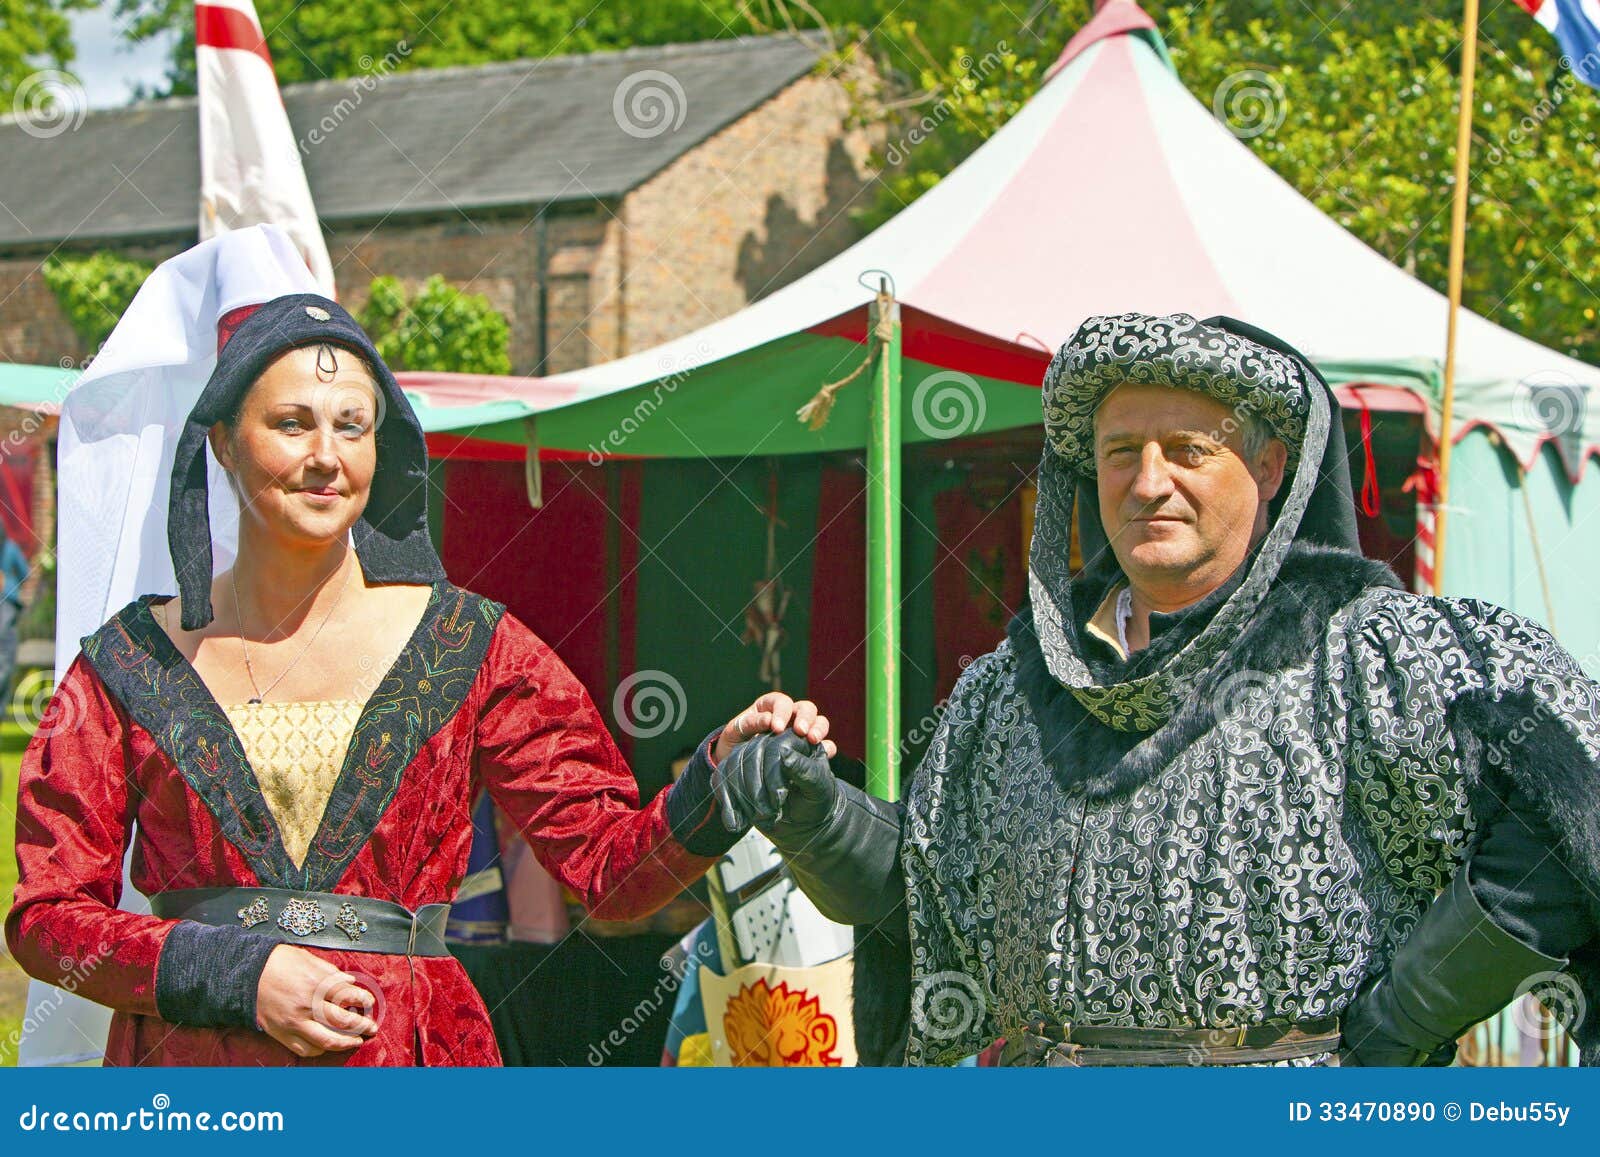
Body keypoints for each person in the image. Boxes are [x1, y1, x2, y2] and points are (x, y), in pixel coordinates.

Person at [715, 312, 1600, 1067]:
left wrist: (1404, 1018)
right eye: (1118, 453)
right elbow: (923, 900)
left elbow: (1572, 814)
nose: (1146, 483)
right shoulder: (1009, 694)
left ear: (1270, 467)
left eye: (1187, 450)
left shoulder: (1373, 658)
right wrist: (812, 810)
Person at [4, 292, 832, 1066]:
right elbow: (47, 918)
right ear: (222, 442)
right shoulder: (131, 661)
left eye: (351, 425)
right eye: (291, 424)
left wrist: (723, 770)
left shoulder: (469, 647)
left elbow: (608, 870)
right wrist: (233, 973)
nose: (325, 456)